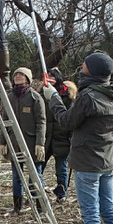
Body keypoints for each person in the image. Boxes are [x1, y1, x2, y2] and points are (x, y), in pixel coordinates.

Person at [42, 52, 113, 224]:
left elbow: (67, 121)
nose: (81, 65)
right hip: (107, 162)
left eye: (85, 64)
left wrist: (53, 98)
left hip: (87, 163)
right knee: (109, 209)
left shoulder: (88, 96)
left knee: (90, 213)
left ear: (92, 70)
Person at [0, 66, 46, 214]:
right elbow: (4, 120)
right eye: (16, 74)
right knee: (16, 176)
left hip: (32, 143)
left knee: (35, 176)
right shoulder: (9, 97)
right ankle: (17, 207)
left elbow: (41, 121)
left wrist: (40, 143)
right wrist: (2, 141)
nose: (17, 76)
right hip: (14, 143)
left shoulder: (35, 97)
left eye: (21, 74)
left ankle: (40, 206)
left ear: (28, 79)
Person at [42, 67, 76, 203]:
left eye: (52, 76)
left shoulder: (68, 96)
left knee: (61, 167)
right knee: (39, 165)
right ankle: (35, 192)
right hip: (47, 136)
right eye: (47, 76)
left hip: (62, 137)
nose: (49, 79)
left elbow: (70, 117)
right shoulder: (42, 94)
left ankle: (61, 193)